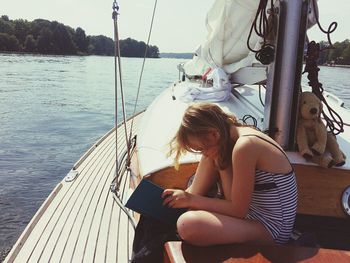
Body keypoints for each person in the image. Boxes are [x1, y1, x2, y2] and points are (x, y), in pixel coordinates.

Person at [162, 102, 297, 246]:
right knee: (211, 160)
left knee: (187, 224)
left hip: (271, 229)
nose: (203, 153)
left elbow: (238, 210)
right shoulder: (227, 142)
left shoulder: (246, 146)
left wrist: (190, 200)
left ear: (214, 134)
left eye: (201, 148)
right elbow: (197, 193)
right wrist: (177, 199)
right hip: (249, 216)